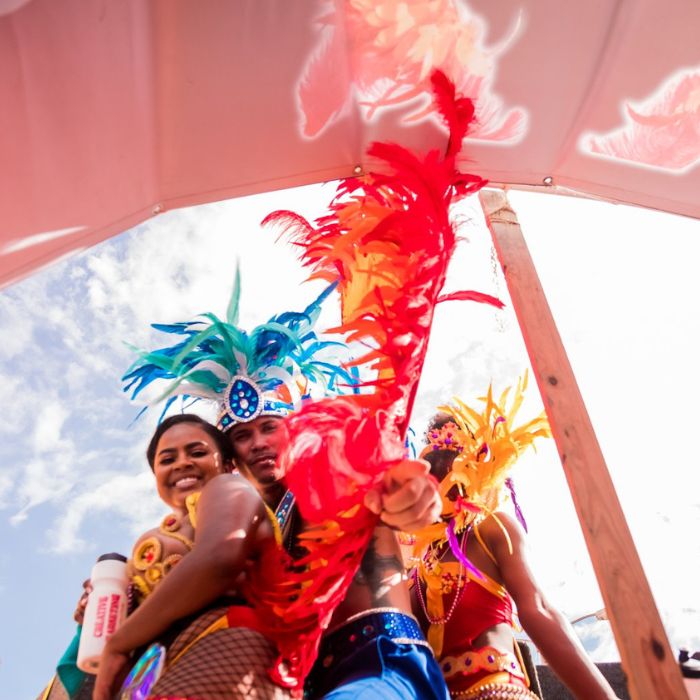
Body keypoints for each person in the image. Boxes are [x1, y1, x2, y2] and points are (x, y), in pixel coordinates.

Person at [123, 282, 448, 699]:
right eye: (242, 435)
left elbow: (381, 481)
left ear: (293, 428)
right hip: (298, 682)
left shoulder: (332, 464)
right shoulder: (255, 529)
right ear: (230, 457)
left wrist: (410, 495)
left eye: (269, 428)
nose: (257, 442)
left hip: (381, 663)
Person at [410, 379, 619, 700]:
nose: (443, 470)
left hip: (496, 692)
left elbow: (540, 612)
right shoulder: (416, 563)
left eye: (452, 459)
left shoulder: (491, 527)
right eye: (434, 458)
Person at [94, 413, 293, 700]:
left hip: (228, 648)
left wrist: (118, 642)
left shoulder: (229, 487)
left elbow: (219, 558)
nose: (182, 463)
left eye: (197, 452)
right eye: (167, 460)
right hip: (164, 667)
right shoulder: (159, 536)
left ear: (227, 465)